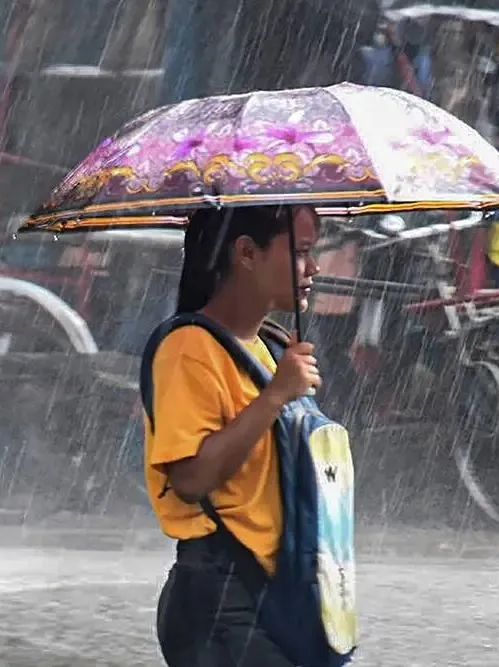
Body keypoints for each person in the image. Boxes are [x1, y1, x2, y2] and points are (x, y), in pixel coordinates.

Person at [147, 205, 322, 666]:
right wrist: (275, 397)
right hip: (220, 597)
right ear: (246, 253)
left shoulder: (272, 346)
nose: (314, 268)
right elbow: (190, 478)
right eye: (301, 252)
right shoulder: (188, 348)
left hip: (277, 590)